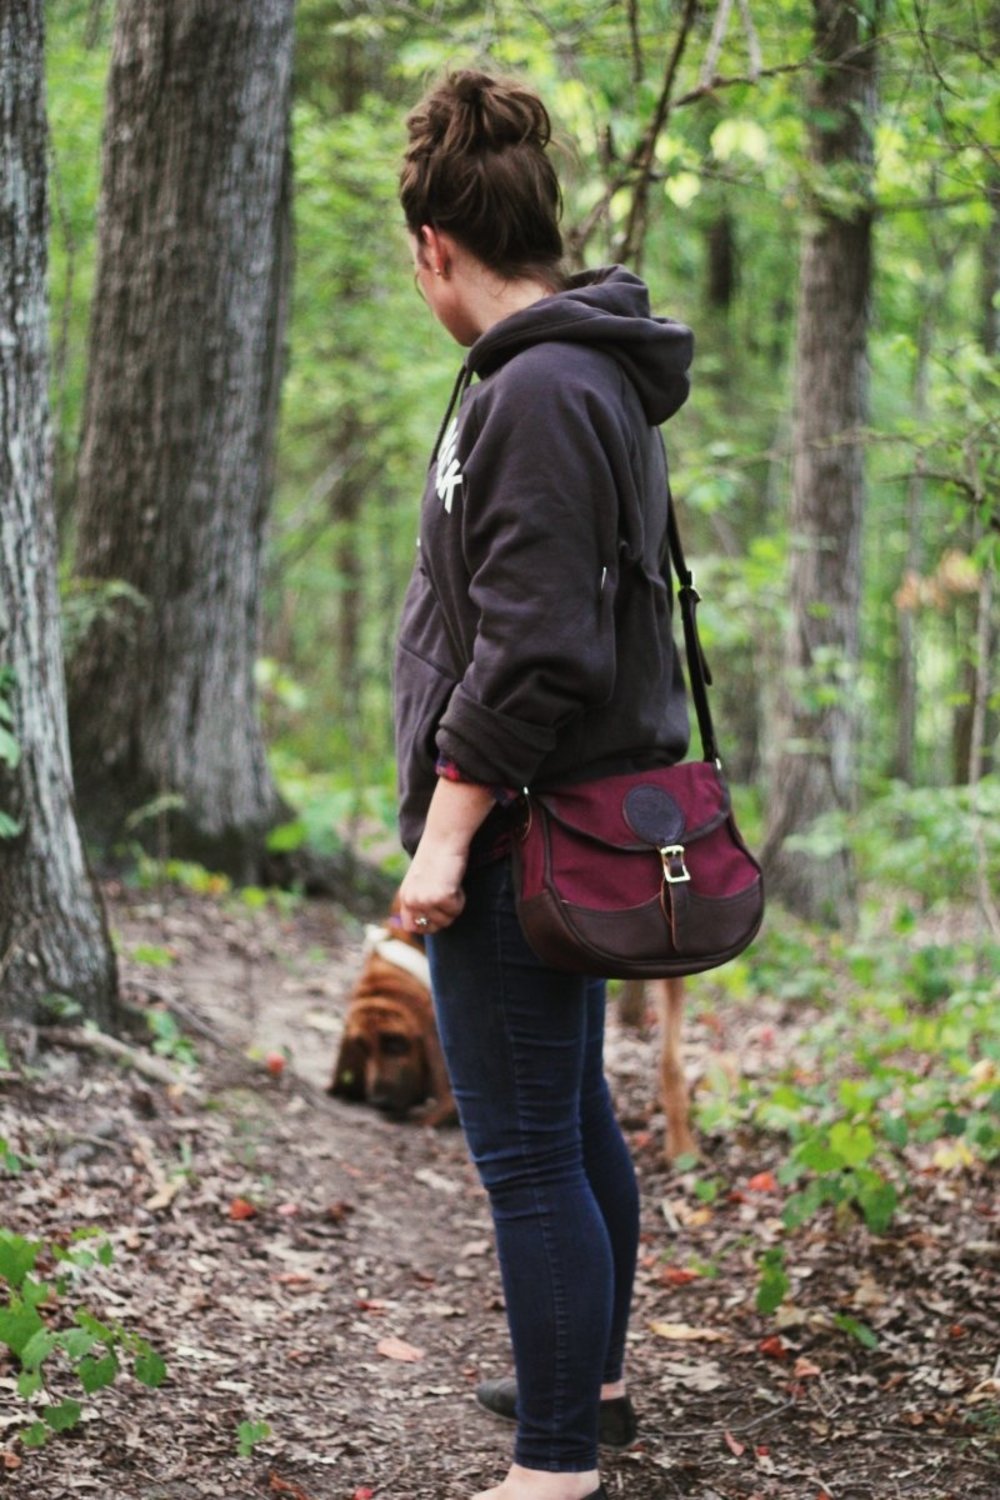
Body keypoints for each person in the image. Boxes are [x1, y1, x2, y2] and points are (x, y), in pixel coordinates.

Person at [393, 69, 693, 1500]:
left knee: (526, 1155)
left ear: (436, 245)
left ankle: (557, 1465)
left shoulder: (539, 389)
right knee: (571, 1120)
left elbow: (535, 652)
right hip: (560, 823)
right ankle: (597, 1384)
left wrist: (443, 842)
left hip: (523, 830)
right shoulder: (583, 377)